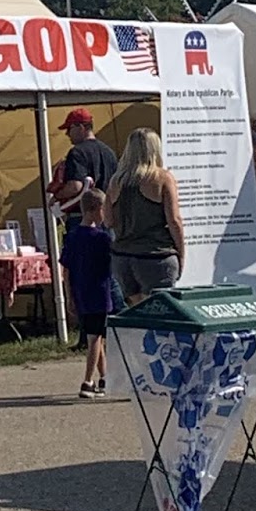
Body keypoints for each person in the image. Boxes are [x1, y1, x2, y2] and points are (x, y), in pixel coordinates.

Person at [105, 128, 184, 303]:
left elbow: (108, 220)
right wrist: (181, 253)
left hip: (122, 257)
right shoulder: (162, 178)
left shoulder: (116, 181)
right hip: (155, 255)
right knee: (160, 309)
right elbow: (174, 220)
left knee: (137, 310)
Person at [60, 189, 113, 399]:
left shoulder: (72, 237)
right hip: (99, 293)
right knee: (95, 338)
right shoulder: (102, 238)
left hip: (80, 292)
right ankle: (87, 381)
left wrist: (68, 296)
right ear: (96, 210)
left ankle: (105, 377)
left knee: (96, 335)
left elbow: (66, 270)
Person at [53, 109, 118, 224]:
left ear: (81, 127)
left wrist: (57, 196)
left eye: (69, 129)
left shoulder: (77, 152)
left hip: (82, 218)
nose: (67, 134)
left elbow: (75, 186)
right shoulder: (109, 152)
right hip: (107, 216)